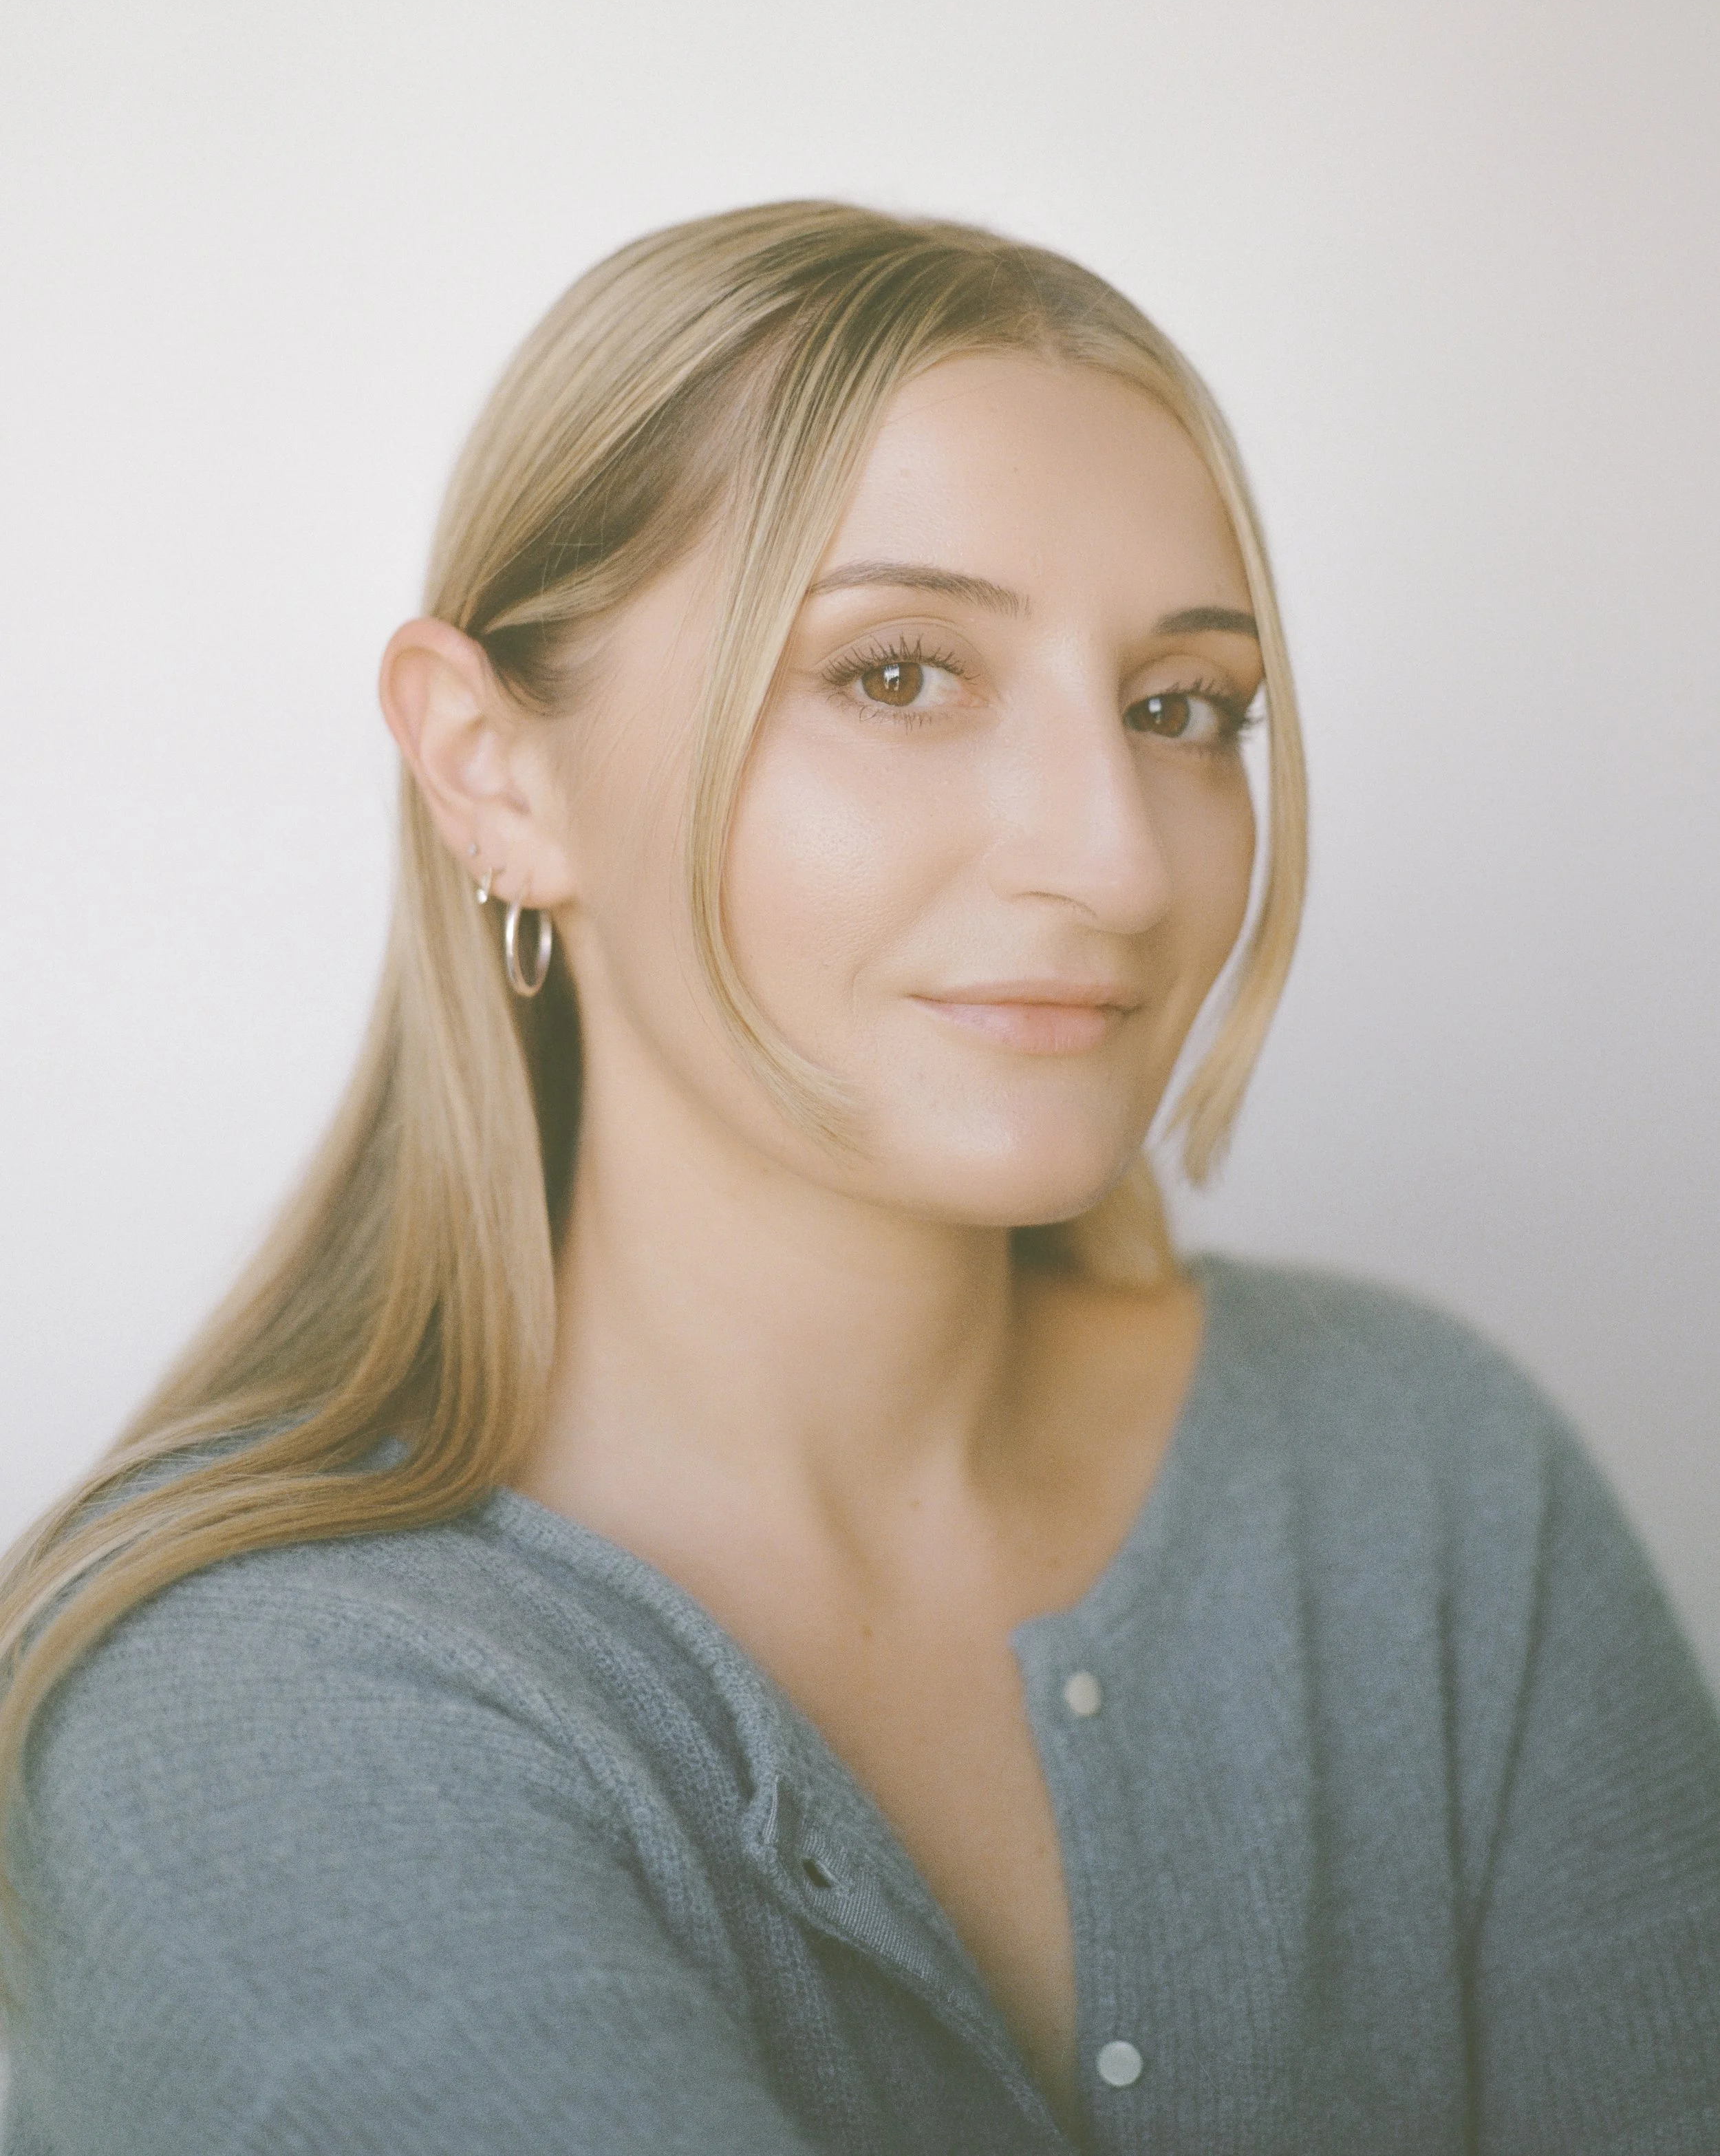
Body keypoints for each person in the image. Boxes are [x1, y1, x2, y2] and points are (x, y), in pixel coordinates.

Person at [1, 202, 1716, 2155]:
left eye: (1181, 710)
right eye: (899, 676)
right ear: (494, 769)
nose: (1119, 860)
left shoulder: (1425, 1484)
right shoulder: (254, 1727)